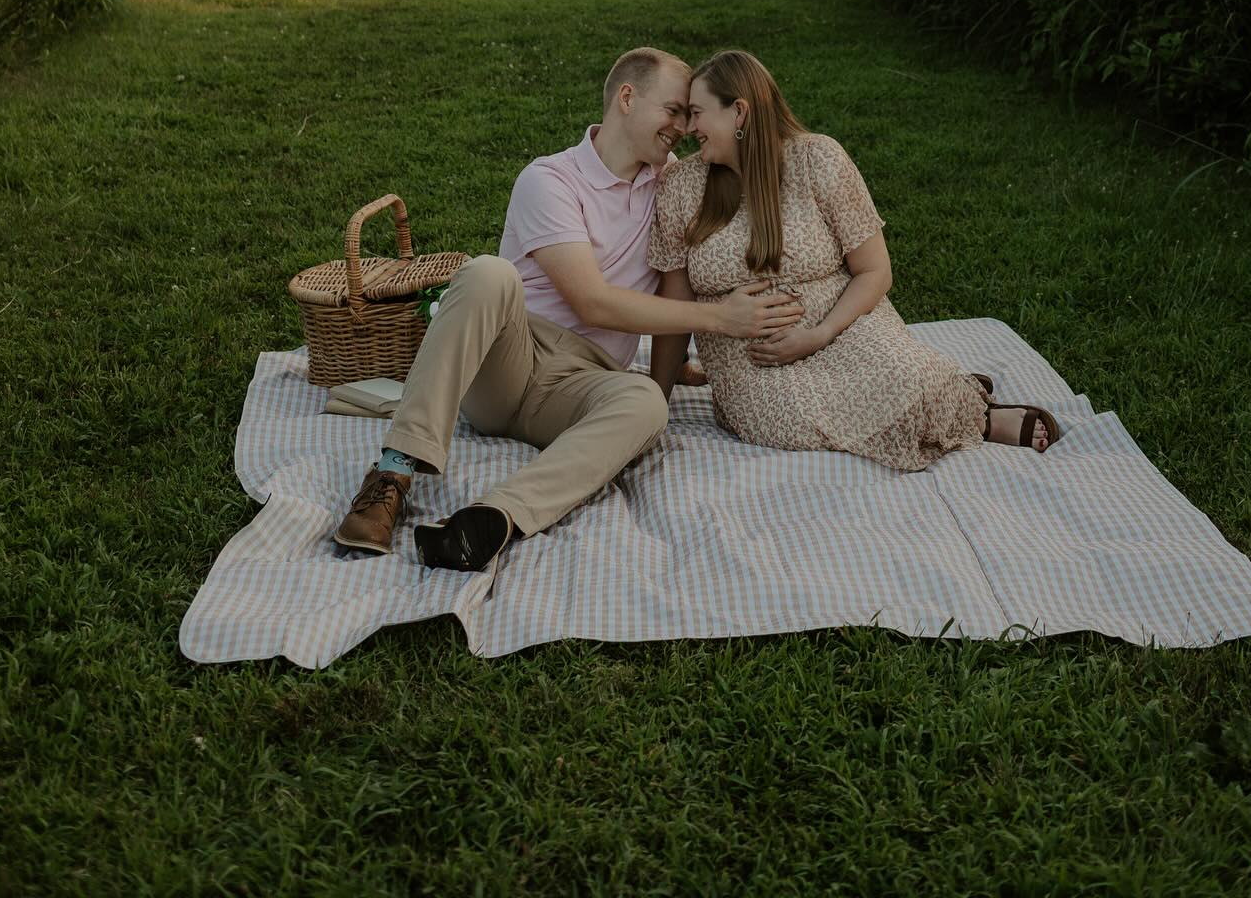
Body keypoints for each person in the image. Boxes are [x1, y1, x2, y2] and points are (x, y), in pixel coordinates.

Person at [333, 46, 808, 570]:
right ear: (627, 98)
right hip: (509, 363)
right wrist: (721, 319)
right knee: (490, 272)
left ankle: (493, 518)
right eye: (674, 110)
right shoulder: (549, 180)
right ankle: (391, 474)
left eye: (689, 114)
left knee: (649, 403)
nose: (683, 126)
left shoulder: (673, 182)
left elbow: (727, 220)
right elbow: (592, 301)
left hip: (584, 383)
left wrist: (688, 363)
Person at [645, 49, 1061, 471]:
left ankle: (973, 412)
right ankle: (943, 403)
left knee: (906, 377)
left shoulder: (818, 160)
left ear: (739, 112)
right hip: (755, 365)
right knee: (787, 420)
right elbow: (675, 300)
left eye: (697, 113)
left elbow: (875, 271)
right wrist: (656, 404)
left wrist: (819, 334)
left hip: (843, 328)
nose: (689, 127)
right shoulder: (682, 186)